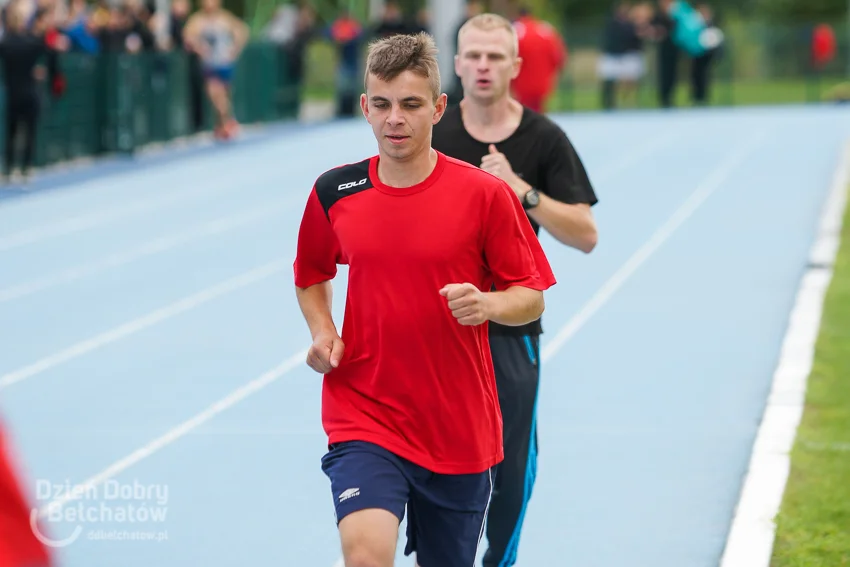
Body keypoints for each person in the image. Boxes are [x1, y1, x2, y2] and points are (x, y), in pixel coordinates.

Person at [293, 31, 557, 567]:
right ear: (365, 108)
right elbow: (311, 274)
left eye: (411, 104)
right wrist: (323, 331)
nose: (396, 118)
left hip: (457, 426)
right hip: (364, 412)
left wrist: (487, 305)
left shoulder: (484, 195)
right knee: (365, 555)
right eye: (383, 104)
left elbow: (531, 297)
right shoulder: (334, 193)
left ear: (438, 108)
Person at [431, 12, 598, 567]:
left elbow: (585, 234)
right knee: (433, 463)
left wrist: (522, 191)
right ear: (456, 65)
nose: (483, 66)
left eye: (495, 56)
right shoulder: (434, 134)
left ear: (515, 66)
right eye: (473, 56)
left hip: (510, 327)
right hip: (436, 328)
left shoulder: (544, 138)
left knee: (509, 469)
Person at [182, 0, 249, 140]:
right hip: (209, 65)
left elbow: (242, 31)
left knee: (223, 96)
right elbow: (187, 36)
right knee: (214, 93)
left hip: (224, 63)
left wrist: (235, 49)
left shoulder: (225, 18)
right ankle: (226, 122)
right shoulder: (198, 20)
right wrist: (198, 47)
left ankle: (223, 123)